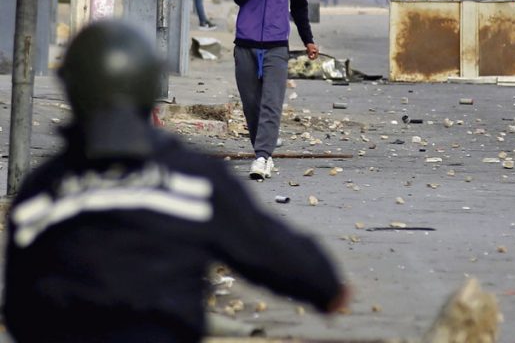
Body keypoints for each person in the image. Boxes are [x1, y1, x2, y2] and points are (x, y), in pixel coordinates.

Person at [2, 22, 348, 343]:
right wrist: (327, 290)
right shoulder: (193, 181)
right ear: (148, 87)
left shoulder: (41, 193)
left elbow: (19, 309)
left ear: (71, 88)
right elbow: (277, 253)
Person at [232, 0, 319, 180]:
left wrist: (308, 40)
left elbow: (300, 8)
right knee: (251, 104)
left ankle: (262, 156)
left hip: (276, 48)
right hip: (245, 46)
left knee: (272, 102)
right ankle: (263, 151)